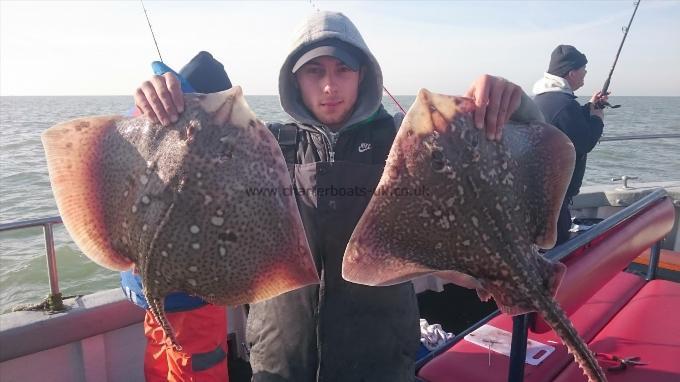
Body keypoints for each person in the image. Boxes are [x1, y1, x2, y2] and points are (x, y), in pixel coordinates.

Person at [134, 11, 533, 382]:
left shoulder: (402, 142)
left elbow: (508, 162)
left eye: (343, 70)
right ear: (295, 79)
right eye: (314, 72)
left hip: (380, 361)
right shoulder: (265, 144)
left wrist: (515, 107)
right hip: (279, 362)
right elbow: (177, 177)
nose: (329, 86)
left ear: (363, 75)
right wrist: (162, 115)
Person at [122, 51, 233, 382]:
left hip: (144, 286)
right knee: (198, 368)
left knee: (161, 360)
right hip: (192, 294)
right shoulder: (205, 137)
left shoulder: (144, 123)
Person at [532, 45, 608, 246]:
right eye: (584, 69)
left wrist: (590, 107)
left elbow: (566, 123)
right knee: (559, 244)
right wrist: (598, 117)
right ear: (572, 72)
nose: (585, 74)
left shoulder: (543, 99)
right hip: (554, 197)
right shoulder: (565, 105)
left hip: (538, 192)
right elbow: (585, 142)